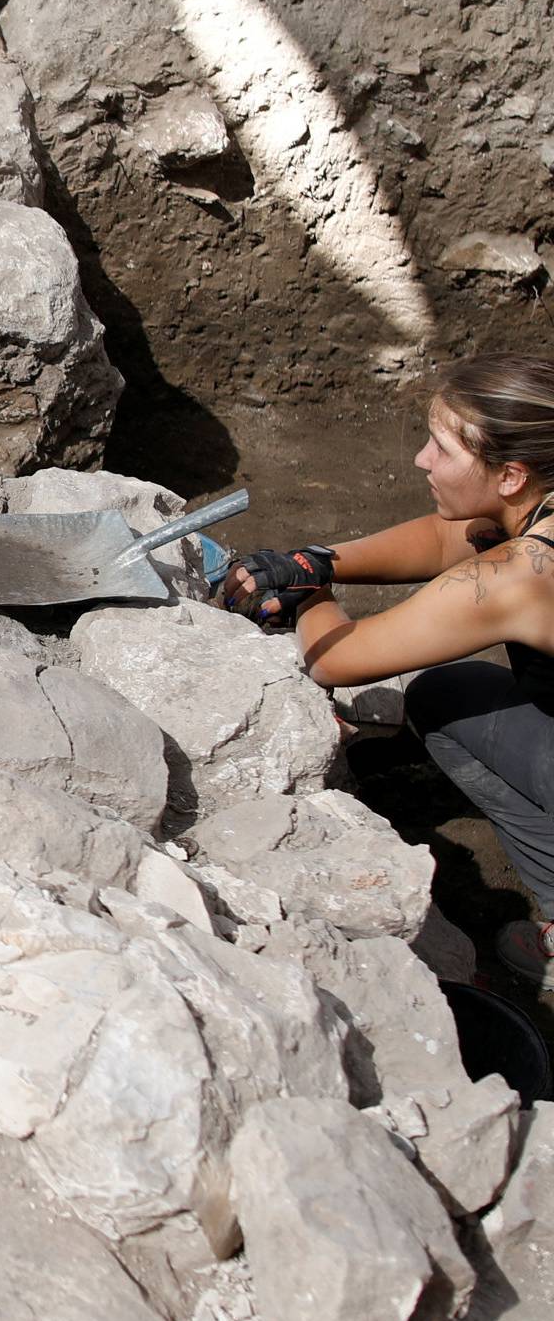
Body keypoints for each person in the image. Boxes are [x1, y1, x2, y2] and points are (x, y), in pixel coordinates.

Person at [223, 353, 554, 981]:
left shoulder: (524, 577)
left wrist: (305, 597)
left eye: (441, 449)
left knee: (442, 697)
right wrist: (314, 561)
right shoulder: (540, 494)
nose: (421, 460)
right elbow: (443, 538)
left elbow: (338, 660)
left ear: (510, 475)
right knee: (458, 691)